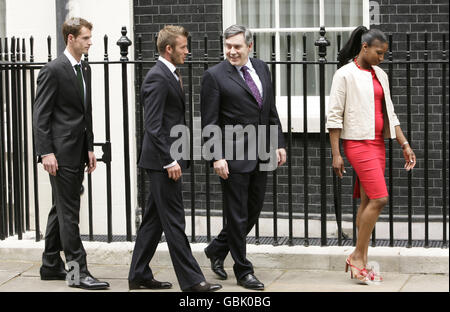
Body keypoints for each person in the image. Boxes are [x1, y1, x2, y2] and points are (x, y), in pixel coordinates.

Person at [128, 25, 221, 292]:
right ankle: (192, 282)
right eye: (182, 47)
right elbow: (153, 125)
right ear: (169, 49)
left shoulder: (169, 74)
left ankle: (138, 274)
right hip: (162, 163)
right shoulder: (158, 77)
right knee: (174, 221)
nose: (187, 52)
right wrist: (170, 160)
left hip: (164, 160)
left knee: (153, 221)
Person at [327, 26, 416, 284]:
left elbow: (390, 112)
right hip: (357, 143)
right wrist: (336, 154)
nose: (382, 58)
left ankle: (361, 260)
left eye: (384, 54)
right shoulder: (345, 74)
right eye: (379, 52)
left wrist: (403, 143)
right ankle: (356, 256)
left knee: (367, 203)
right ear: (365, 47)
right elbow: (334, 117)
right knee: (380, 199)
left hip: (378, 143)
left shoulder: (380, 74)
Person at [201, 24, 286, 290]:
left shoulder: (261, 68)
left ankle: (217, 248)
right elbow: (209, 121)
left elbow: (269, 109)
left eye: (237, 46)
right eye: (228, 46)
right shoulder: (214, 76)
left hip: (261, 152)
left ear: (250, 46)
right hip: (233, 156)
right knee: (237, 215)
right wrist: (217, 156)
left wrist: (278, 142)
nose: (232, 51)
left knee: (252, 211)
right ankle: (243, 270)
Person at [33, 17, 109, 290]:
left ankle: (50, 264)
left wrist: (89, 147)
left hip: (77, 151)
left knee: (61, 209)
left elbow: (83, 113)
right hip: (60, 154)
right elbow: (40, 116)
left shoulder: (83, 68)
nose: (90, 42)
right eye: (86, 38)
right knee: (69, 215)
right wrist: (46, 153)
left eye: (90, 37)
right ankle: (78, 273)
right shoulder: (53, 70)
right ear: (71, 39)